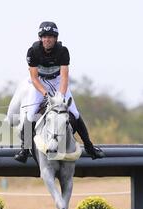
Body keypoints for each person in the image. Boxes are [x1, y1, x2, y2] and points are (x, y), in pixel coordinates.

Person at [14, 21, 105, 163]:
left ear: (55, 38)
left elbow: (64, 77)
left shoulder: (63, 51)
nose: (47, 39)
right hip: (40, 83)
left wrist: (60, 96)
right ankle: (24, 150)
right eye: (44, 37)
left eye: (50, 36)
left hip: (58, 82)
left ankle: (89, 147)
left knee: (74, 113)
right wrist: (45, 94)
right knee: (30, 114)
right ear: (40, 38)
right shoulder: (33, 51)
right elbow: (34, 78)